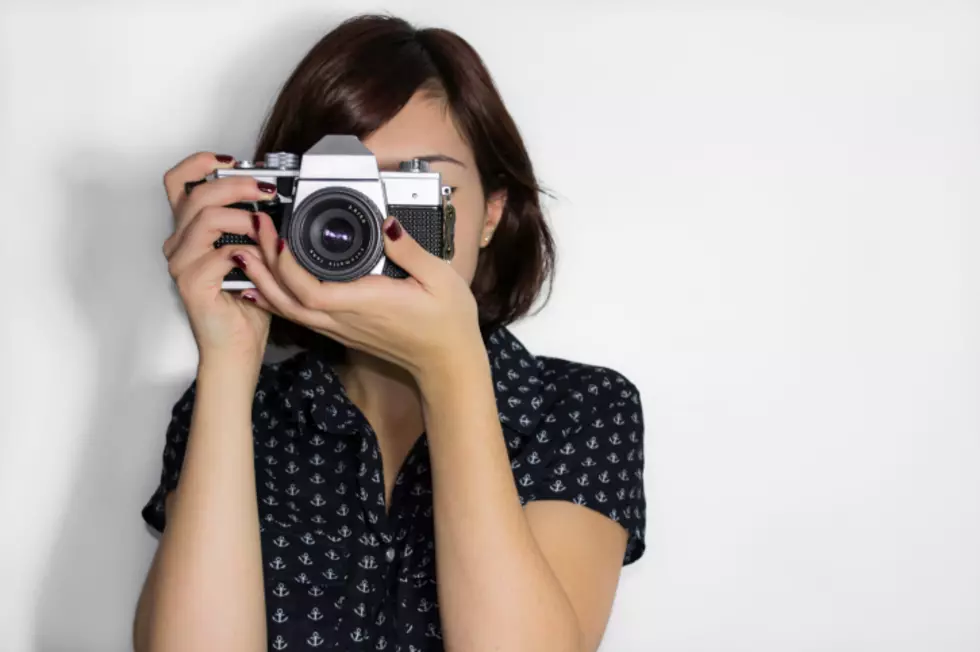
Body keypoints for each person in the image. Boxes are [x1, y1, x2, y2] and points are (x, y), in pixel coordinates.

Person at [133, 13, 645, 652]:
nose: (365, 222)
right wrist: (230, 356)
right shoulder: (240, 411)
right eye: (343, 190)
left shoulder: (578, 410)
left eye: (413, 183)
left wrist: (452, 368)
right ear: (283, 202)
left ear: (492, 212)